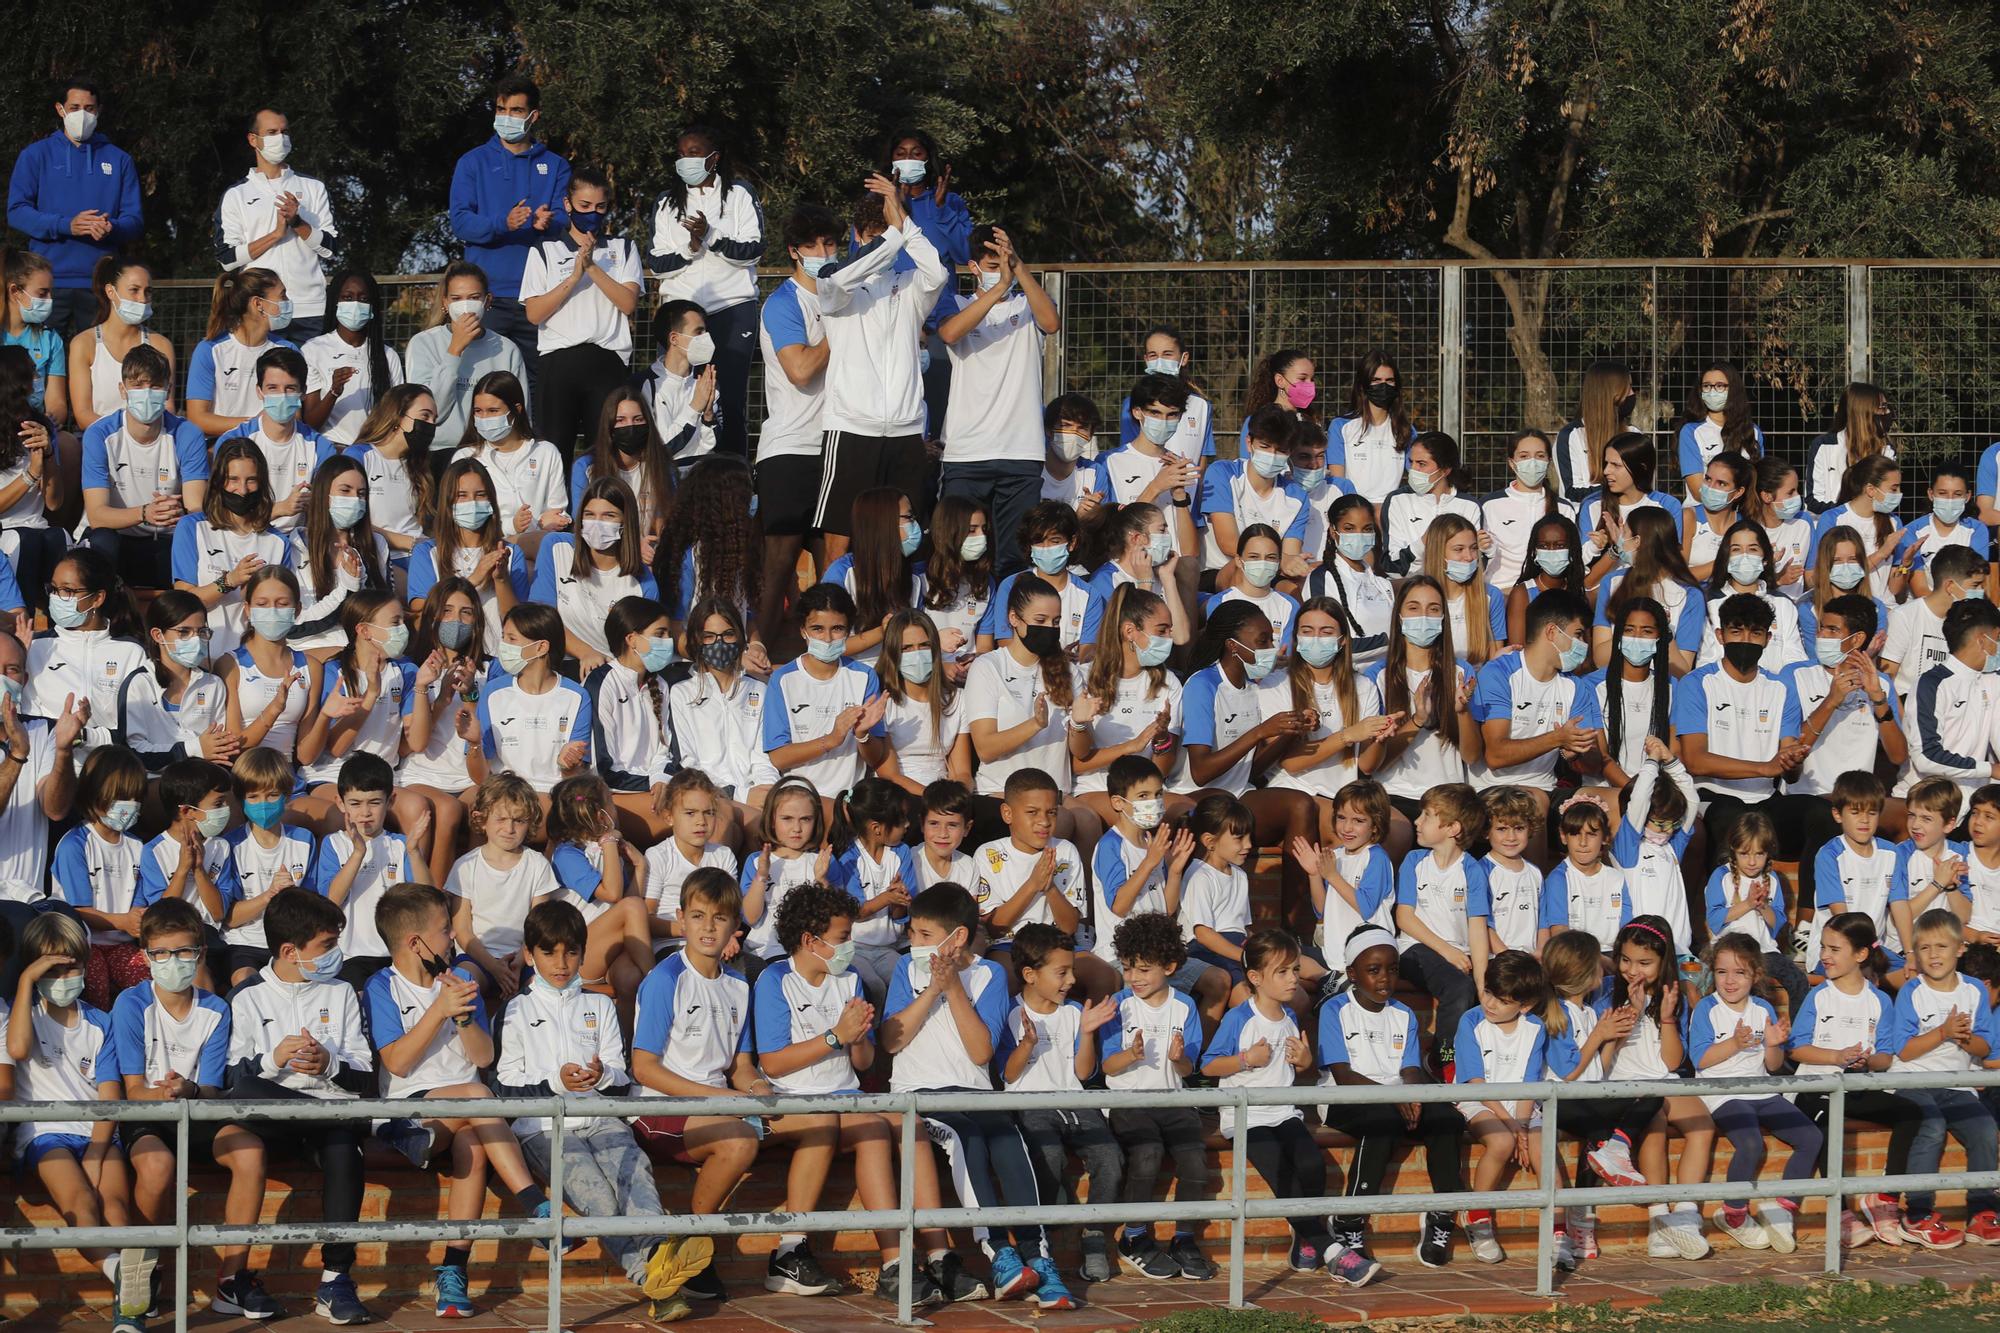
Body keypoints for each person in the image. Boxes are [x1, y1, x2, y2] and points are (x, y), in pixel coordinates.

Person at [754, 879, 974, 1306]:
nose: (848, 947)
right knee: (875, 1128)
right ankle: (893, 1261)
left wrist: (856, 1038)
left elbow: (862, 1062)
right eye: (841, 939)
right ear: (809, 940)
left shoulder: (849, 978)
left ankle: (937, 1252)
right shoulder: (774, 979)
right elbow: (774, 1062)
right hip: (792, 1100)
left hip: (845, 1095)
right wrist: (836, 1036)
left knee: (907, 1123)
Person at [496, 899, 713, 1322]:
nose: (561, 963)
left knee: (639, 1185)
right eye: (549, 952)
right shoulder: (516, 1011)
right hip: (544, 1128)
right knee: (597, 1198)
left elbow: (620, 1072)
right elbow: (504, 1086)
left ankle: (658, 1278)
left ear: (583, 951)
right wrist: (557, 1082)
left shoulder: (599, 1006)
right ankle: (655, 1274)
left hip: (602, 1118)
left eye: (572, 951)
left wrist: (600, 1075)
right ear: (528, 955)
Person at [366, 882, 555, 1318]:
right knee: (477, 1096)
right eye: (445, 929)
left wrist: (466, 1015)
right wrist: (438, 1010)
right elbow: (396, 1062)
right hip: (411, 1101)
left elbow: (484, 1056)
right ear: (415, 943)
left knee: (473, 1133)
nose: (454, 937)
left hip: (469, 1111)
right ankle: (536, 1207)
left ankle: (452, 1273)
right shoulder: (382, 986)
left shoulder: (464, 977)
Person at [877, 881, 1044, 1304]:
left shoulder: (989, 974)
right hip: (919, 1092)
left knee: (1008, 1138)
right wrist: (934, 988)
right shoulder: (906, 970)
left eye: (925, 936)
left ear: (959, 937)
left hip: (972, 1090)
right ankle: (998, 1252)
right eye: (912, 933)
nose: (914, 943)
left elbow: (980, 1050)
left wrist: (954, 988)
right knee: (963, 1137)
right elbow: (891, 1041)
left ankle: (1038, 1256)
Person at [111, 899, 276, 1318]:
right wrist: (166, 1094)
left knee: (249, 1150)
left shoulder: (216, 1009)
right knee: (157, 1166)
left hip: (196, 1110)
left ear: (200, 953)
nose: (173, 962)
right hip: (148, 1116)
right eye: (161, 953)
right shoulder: (130, 1005)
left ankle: (231, 1281)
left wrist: (188, 1090)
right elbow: (132, 1091)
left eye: (183, 952)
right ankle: (146, 1271)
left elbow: (213, 1089)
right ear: (145, 956)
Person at [222, 887, 376, 1324]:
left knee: (344, 1146)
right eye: (326, 946)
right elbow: (233, 1080)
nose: (335, 954)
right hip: (273, 1118)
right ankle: (236, 1278)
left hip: (330, 1118)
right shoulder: (248, 996)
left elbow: (364, 1073)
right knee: (250, 1095)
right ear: (290, 950)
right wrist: (275, 1060)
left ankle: (335, 1280)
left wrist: (329, 1063)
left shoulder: (343, 991)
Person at [4, 909, 145, 1333]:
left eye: (73, 965)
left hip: (99, 1133)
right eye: (53, 967)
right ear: (33, 966)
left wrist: (99, 1152)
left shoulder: (100, 1023)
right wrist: (27, 982)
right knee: (80, 1204)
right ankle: (124, 1273)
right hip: (46, 1134)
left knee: (117, 1210)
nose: (65, 975)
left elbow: (110, 1094)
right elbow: (17, 1049)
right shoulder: (20, 1013)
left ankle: (130, 1312)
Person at [626, 868, 761, 1304]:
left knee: (819, 1123)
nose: (708, 927)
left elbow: (740, 1066)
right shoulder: (666, 979)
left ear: (734, 926)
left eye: (719, 918)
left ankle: (795, 1249)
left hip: (716, 1106)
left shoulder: (740, 984)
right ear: (681, 919)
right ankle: (693, 1244)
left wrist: (758, 1088)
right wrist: (725, 1099)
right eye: (698, 916)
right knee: (739, 1141)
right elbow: (644, 1068)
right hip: (659, 1110)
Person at [811, 175, 947, 561]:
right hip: (852, 428)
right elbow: (839, 281)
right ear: (857, 234)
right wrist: (891, 239)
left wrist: (904, 224)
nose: (882, 245)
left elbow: (937, 273)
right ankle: (834, 615)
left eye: (887, 234)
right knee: (840, 536)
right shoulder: (834, 282)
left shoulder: (909, 286)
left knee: (906, 537)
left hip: (905, 431)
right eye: (872, 236)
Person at [1318, 925, 1463, 1275]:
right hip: (1344, 1097)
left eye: (1392, 969)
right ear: (1352, 973)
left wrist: (1411, 1095)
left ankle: (1443, 1214)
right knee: (1382, 1122)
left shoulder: (1404, 1014)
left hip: (1396, 1096)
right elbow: (1343, 1074)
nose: (1385, 978)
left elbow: (1411, 1069)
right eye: (1373, 970)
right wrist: (1395, 1097)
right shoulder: (1335, 1009)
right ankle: (1349, 1220)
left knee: (1449, 1120)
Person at [1789, 911, 1926, 1248]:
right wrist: (1835, 1057)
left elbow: (1886, 1055)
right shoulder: (1819, 996)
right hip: (1816, 1087)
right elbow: (1797, 1049)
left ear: (1861, 954)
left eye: (1834, 949)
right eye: (1823, 947)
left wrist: (1867, 1061)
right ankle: (1843, 1214)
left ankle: (1885, 1199)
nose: (1824, 956)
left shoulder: (1879, 1000)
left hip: (1856, 1086)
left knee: (1911, 1112)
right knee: (1826, 1126)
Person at [1200, 930, 1331, 1272]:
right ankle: (1328, 1247)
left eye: (1295, 970)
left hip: (1283, 1112)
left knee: (1313, 1165)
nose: (1293, 979)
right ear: (1256, 978)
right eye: (1283, 972)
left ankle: (1307, 1235)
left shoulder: (1289, 1018)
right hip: (1245, 1117)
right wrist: (1246, 1059)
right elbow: (1209, 1064)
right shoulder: (1239, 1018)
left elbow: (1297, 1069)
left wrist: (1304, 1062)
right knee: (1281, 1174)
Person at [1097, 911, 1217, 1280]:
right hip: (1129, 1100)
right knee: (1147, 1154)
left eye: (1143, 969)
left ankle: (1184, 1238)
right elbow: (1107, 1067)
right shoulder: (1118, 1004)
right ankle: (1134, 1236)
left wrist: (1179, 1059)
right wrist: (1130, 1055)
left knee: (1196, 1164)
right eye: (1129, 967)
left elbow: (1187, 1069)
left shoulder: (1184, 1007)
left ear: (1170, 966)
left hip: (1172, 1099)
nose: (1134, 977)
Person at [998, 924, 1114, 1304]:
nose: (1071, 980)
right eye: (1061, 972)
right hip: (1031, 1102)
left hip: (1074, 1101)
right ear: (1030, 974)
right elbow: (1008, 1075)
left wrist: (1089, 1033)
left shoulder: (1074, 1012)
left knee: (1109, 1156)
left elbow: (1083, 1073)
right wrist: (1028, 1044)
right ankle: (1043, 1242)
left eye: (1072, 971)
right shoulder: (1012, 1014)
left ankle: (1095, 1238)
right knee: (1046, 1157)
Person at [937, 224, 1059, 577]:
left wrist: (1017, 269)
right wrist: (1000, 287)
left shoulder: (1027, 304)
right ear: (973, 267)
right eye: (992, 266)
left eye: (1005, 263)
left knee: (1014, 559)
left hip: (1020, 454)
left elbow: (1051, 323)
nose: (1001, 272)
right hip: (965, 454)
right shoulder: (958, 303)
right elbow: (949, 333)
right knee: (959, 554)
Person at [1691, 933, 1821, 1253]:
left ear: (1755, 976)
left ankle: (1782, 1208)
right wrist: (1734, 1044)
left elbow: (1773, 1065)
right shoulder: (1707, 1009)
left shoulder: (1762, 1006)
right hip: (1721, 1093)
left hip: (1761, 1089)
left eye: (1740, 973)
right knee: (1750, 1142)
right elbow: (1700, 1059)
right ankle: (1733, 1214)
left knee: (1811, 1137)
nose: (1730, 981)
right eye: (1722, 972)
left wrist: (1774, 1044)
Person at [448, 73, 571, 388]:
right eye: (501, 109)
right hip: (486, 297)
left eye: (515, 111)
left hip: (539, 295)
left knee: (540, 385)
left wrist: (549, 223)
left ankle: (536, 438)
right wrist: (502, 223)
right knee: (482, 382)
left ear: (533, 116)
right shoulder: (472, 162)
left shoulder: (556, 165)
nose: (506, 117)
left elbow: (564, 218)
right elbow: (460, 222)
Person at [1886, 908, 2000, 1247]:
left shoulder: (1975, 990)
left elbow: (1984, 1044)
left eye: (1942, 947)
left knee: (1984, 1130)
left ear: (1960, 949)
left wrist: (1964, 1037)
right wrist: (1943, 1031)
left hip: (1957, 1082)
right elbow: (1904, 1051)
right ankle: (1918, 1212)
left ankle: (1981, 1209)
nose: (1933, 955)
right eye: (1924, 948)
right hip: (1912, 1081)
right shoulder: (1912, 991)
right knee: (1931, 1126)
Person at [1602, 916, 1714, 1259]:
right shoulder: (1607, 992)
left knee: (1702, 1125)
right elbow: (1602, 1063)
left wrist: (1665, 1018)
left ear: (1663, 962)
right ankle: (1658, 1218)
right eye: (1626, 960)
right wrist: (1627, 1018)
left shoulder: (1672, 996)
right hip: (1622, 1084)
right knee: (1655, 1124)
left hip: (1663, 1080)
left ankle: (1685, 1213)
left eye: (1645, 963)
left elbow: (1670, 1062)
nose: (1633, 970)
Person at [647, 126, 762, 458]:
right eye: (682, 154)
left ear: (715, 156)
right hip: (682, 314)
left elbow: (753, 250)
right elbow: (657, 263)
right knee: (678, 394)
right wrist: (691, 247)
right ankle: (679, 473)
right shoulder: (666, 202)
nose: (687, 160)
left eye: (695, 153)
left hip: (732, 308)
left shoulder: (739, 193)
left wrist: (711, 236)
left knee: (729, 401)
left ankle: (734, 476)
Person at [521, 167, 642, 462]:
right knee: (553, 450)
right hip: (557, 362)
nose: (592, 213)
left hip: (607, 362)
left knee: (605, 454)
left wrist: (591, 267)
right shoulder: (544, 251)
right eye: (584, 206)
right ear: (568, 204)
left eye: (600, 207)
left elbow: (628, 303)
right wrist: (573, 277)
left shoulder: (623, 248)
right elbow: (534, 313)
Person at [757, 206, 838, 643]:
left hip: (839, 448)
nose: (824, 252)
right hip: (789, 450)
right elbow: (801, 370)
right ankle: (758, 652)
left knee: (833, 571)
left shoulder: (842, 296)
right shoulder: (783, 302)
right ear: (794, 251)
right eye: (813, 245)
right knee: (779, 567)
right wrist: (839, 329)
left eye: (830, 243)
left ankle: (826, 660)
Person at [6, 78, 143, 337]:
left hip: (100, 282)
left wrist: (111, 227)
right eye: (75, 107)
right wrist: (65, 224)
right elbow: (16, 211)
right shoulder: (36, 155)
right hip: (44, 282)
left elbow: (134, 220)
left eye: (89, 108)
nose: (82, 115)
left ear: (99, 110)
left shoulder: (120, 159)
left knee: (96, 362)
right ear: (60, 109)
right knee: (38, 360)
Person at [1452, 951, 1555, 1267]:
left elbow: (1528, 1083)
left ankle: (1557, 1233)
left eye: (1501, 999)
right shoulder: (1471, 1021)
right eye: (1488, 992)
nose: (1490, 1003)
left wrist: (1522, 1125)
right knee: (1501, 1141)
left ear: (1524, 1006)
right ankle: (1478, 1216)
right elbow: (1476, 1083)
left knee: (1544, 1148)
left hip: (1520, 1105)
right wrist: (1512, 1127)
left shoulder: (1535, 1028)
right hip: (1479, 1100)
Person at [82, 343, 207, 587]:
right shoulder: (99, 435)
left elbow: (195, 508)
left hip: (167, 539)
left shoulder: (187, 434)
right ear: (123, 389)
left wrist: (176, 511)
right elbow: (97, 515)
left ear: (169, 389)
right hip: (116, 537)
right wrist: (144, 513)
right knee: (102, 540)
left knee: (190, 536)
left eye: (155, 385)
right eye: (138, 385)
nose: (146, 393)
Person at [303, 754, 426, 985]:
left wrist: (415, 852)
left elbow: (425, 899)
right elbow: (331, 901)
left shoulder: (401, 845)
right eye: (356, 803)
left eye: (375, 802)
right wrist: (358, 853)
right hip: (350, 956)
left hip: (397, 955)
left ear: (390, 801)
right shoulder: (334, 844)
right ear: (340, 803)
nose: (365, 812)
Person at [216, 108, 335, 343]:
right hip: (259, 310)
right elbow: (227, 257)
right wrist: (275, 235)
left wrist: (298, 223)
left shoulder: (313, 187)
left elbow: (331, 248)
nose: (280, 138)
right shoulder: (236, 194)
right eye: (272, 132)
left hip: (310, 310)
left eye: (285, 131)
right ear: (253, 139)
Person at [531, 478, 659, 673]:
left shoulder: (643, 582)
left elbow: (640, 648)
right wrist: (585, 653)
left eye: (609, 515)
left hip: (615, 673)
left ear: (626, 521)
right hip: (558, 667)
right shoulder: (556, 547)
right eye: (589, 515)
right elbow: (540, 618)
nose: (597, 524)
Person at [216, 746, 315, 987]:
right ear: (241, 800)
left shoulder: (304, 840)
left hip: (290, 943)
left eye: (272, 795)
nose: (263, 804)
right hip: (243, 944)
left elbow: (313, 904)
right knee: (246, 980)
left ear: (287, 795)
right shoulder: (230, 845)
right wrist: (269, 895)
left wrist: (294, 896)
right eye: (253, 797)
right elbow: (228, 918)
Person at [470, 603, 592, 796]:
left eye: (511, 639)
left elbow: (574, 777)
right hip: (504, 794)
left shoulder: (577, 696)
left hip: (554, 795)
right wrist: (474, 743)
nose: (503, 646)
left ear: (541, 647)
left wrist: (567, 765)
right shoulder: (493, 692)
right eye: (503, 638)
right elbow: (480, 777)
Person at [405, 262, 531, 448]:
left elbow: (521, 412)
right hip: (437, 450)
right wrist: (454, 350)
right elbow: (432, 411)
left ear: (487, 301)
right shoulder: (423, 343)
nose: (465, 306)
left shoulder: (507, 348)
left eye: (473, 297)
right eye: (456, 298)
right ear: (445, 303)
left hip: (489, 450)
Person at [407, 457, 529, 648]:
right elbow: (420, 617)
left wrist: (501, 580)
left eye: (480, 494)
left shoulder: (511, 553)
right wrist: (473, 580)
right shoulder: (426, 553)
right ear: (447, 502)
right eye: (461, 495)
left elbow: (519, 624)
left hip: (495, 657)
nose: (472, 502)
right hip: (441, 658)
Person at [214, 346, 335, 537]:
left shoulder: (321, 447)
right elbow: (221, 512)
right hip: (242, 536)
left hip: (297, 542)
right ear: (259, 391)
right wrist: (281, 508)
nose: (282, 396)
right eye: (273, 388)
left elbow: (325, 513)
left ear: (303, 392)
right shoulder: (233, 441)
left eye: (290, 388)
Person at [0, 628, 82, 902]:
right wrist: (17, 755)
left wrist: (63, 750)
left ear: (23, 680)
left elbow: (55, 809)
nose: (2, 677)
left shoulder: (43, 730)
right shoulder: (26, 744)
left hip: (27, 904)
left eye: (11, 669)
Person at [451, 369, 568, 552]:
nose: (484, 418)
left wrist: (557, 520)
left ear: (517, 410)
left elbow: (557, 511)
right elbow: (460, 518)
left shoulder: (546, 452)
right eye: (478, 411)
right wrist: (510, 526)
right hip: (483, 547)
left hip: (536, 546)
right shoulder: (465, 457)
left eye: (493, 411)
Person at [1703, 811, 1808, 1015]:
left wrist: (1762, 906)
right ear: (1733, 850)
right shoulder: (1721, 876)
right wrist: (1748, 903)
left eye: (1759, 854)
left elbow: (1777, 923)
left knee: (1798, 980)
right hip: (1729, 951)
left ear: (1768, 852)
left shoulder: (1773, 879)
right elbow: (1715, 921)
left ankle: (1797, 1040)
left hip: (1763, 951)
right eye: (1745, 854)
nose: (1752, 862)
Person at [1903, 599, 2000, 814]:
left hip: (1973, 807)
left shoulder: (1992, 681)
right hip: (1928, 807)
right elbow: (1926, 756)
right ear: (1982, 640)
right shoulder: (1931, 683)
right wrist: (1990, 769)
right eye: (1998, 638)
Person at [1200, 409, 1311, 590]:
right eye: (1265, 447)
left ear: (1290, 452)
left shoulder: (1298, 497)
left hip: (1269, 574)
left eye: (1281, 450)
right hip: (1220, 571)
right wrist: (1281, 560)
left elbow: (1290, 553)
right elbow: (1228, 543)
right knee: (1241, 571)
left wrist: (1293, 564)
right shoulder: (1223, 473)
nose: (1272, 455)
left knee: (1292, 591)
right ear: (1249, 443)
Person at [68, 256, 175, 433]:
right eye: (134, 290)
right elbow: (83, 415)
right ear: (110, 291)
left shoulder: (161, 344)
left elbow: (168, 407)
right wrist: (127, 434)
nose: (142, 299)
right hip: (102, 440)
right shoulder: (84, 343)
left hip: (151, 439)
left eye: (148, 291)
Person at [184, 269, 295, 439]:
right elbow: (197, 418)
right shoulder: (209, 349)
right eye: (283, 295)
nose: (288, 302)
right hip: (223, 447)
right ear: (258, 304)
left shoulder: (290, 351)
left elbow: (297, 414)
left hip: (274, 445)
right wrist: (253, 425)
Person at [302, 271, 402, 445]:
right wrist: (334, 392)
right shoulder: (313, 349)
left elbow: (396, 415)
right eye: (347, 298)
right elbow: (311, 423)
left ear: (372, 307)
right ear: (335, 303)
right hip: (331, 449)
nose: (355, 304)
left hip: (373, 450)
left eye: (363, 299)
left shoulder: (388, 355)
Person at [1884, 544, 1987, 704]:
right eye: (1975, 585)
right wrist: (1905, 724)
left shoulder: (1970, 623)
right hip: (1910, 709)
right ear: (1950, 586)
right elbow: (1886, 681)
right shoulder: (1903, 617)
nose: (1981, 591)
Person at [1381, 431, 1479, 574]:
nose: (1413, 469)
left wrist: (1488, 551)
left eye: (1421, 464)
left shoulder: (1470, 505)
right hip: (1411, 588)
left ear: (1445, 470)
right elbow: (1393, 566)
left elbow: (1473, 563)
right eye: (1411, 462)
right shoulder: (1397, 500)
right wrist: (1424, 542)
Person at [1325, 351, 1416, 506]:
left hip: (1391, 511)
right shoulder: (1340, 426)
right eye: (1376, 380)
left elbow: (1418, 475)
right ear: (1363, 384)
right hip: (1353, 510)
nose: (1383, 385)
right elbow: (1337, 484)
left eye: (1389, 380)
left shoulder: (1406, 430)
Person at [1675, 361, 1763, 499]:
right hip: (1701, 515)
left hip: (1744, 514)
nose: (1712, 391)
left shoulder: (1752, 431)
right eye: (1707, 386)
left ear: (1733, 389)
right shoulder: (1691, 432)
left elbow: (1757, 483)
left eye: (1720, 386)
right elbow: (1698, 491)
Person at [3, 246, 69, 421]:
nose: (49, 300)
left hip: (35, 428)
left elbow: (58, 404)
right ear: (14, 291)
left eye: (50, 292)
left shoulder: (50, 339)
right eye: (42, 293)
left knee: (68, 444)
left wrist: (46, 424)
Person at [1808, 382, 1896, 512]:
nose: (1887, 413)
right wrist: (1852, 512)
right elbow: (1813, 501)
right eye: (1882, 407)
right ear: (1863, 412)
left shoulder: (1887, 450)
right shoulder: (1823, 445)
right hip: (1832, 527)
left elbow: (1887, 501)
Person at [1554, 360, 1635, 495]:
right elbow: (1572, 495)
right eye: (1628, 388)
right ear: (1609, 393)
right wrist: (1620, 489)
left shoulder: (1634, 434)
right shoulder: (1571, 436)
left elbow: (1644, 488)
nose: (1632, 394)